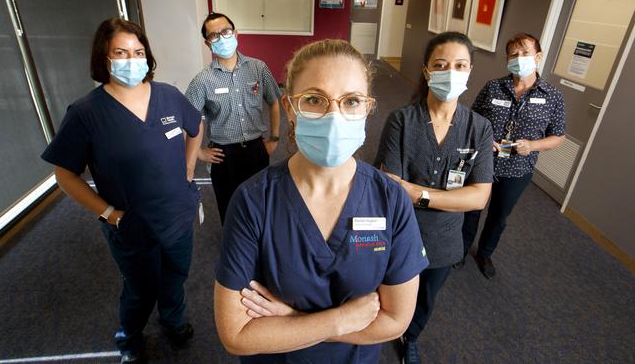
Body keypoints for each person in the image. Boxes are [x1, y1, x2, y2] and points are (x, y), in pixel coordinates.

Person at [213, 39, 429, 363]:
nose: (334, 116)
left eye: (351, 101)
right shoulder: (253, 201)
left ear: (367, 110)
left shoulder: (391, 200)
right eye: (315, 99)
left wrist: (291, 321)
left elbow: (396, 321)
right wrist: (340, 320)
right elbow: (236, 335)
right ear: (289, 109)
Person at [41, 18, 203, 364]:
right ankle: (129, 336)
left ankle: (173, 320)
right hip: (131, 225)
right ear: (104, 57)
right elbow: (65, 175)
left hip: (177, 214)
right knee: (140, 290)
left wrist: (189, 169)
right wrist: (109, 214)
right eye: (121, 52)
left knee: (175, 277)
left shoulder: (168, 96)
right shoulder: (86, 113)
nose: (132, 59)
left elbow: (196, 127)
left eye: (138, 51)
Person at [374, 32, 493, 364]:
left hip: (444, 239)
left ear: (469, 72)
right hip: (400, 233)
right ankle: (379, 331)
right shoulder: (403, 120)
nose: (450, 72)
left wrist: (418, 194)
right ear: (427, 71)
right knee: (388, 291)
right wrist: (450, 197)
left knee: (426, 297)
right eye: (441, 65)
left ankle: (411, 337)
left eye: (460, 65)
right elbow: (390, 186)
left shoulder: (479, 129)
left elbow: (479, 197)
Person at [460, 33, 566, 279]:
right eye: (513, 55)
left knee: (499, 215)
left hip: (518, 168)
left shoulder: (552, 96)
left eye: (525, 53)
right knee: (472, 208)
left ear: (538, 57)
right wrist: (485, 140)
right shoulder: (494, 87)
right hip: (484, 162)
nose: (519, 59)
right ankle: (461, 250)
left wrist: (533, 145)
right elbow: (473, 119)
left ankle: (485, 253)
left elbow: (558, 136)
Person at [185, 12, 282, 224]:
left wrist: (274, 139)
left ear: (235, 33)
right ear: (207, 43)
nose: (222, 38)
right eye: (214, 36)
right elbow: (189, 120)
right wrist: (199, 152)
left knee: (262, 204)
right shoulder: (202, 80)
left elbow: (274, 101)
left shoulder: (258, 68)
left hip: (257, 149)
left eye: (226, 31)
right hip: (224, 155)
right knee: (230, 208)